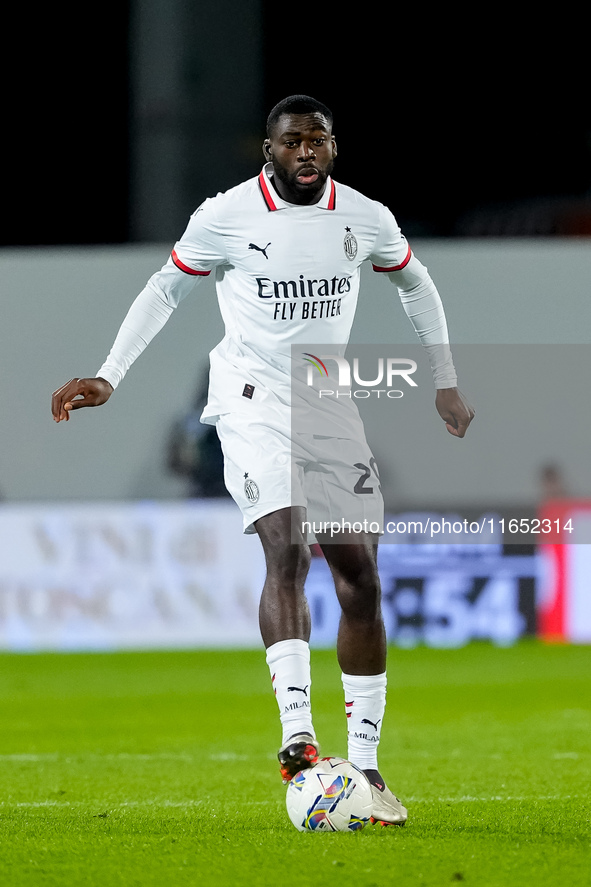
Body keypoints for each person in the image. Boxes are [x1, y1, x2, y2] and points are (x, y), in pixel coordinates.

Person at [51, 95, 474, 827]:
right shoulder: (225, 215)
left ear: (333, 149)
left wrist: (444, 379)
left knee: (361, 576)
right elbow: (165, 289)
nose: (305, 151)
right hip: (248, 400)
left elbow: (416, 282)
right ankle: (298, 739)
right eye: (291, 141)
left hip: (326, 400)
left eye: (318, 140)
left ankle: (367, 764)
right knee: (287, 550)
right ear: (268, 151)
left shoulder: (364, 217)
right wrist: (109, 373)